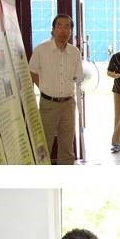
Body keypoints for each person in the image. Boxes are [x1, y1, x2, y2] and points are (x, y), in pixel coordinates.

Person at [29, 14, 83, 165]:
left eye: (67, 27)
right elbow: (31, 72)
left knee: (67, 146)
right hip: (48, 104)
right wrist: (44, 87)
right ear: (53, 30)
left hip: (68, 104)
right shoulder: (41, 50)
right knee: (44, 144)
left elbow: (78, 77)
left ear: (71, 32)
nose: (63, 30)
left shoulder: (75, 52)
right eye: (59, 26)